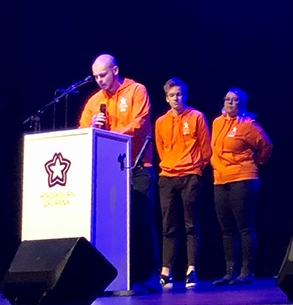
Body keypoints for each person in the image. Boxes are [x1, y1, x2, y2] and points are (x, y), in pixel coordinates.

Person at [78, 54, 159, 291]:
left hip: (137, 166)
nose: (99, 80)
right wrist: (92, 127)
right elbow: (83, 130)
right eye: (95, 77)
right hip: (108, 171)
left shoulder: (136, 91)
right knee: (113, 224)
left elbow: (139, 124)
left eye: (102, 75)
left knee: (141, 222)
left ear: (115, 70)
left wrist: (111, 135)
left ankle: (148, 276)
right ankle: (119, 276)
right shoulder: (94, 101)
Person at [153, 78, 211, 290]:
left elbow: (206, 150)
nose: (176, 99)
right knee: (168, 225)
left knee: (190, 224)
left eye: (179, 94)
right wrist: (169, 165)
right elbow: (160, 149)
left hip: (190, 175)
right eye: (171, 96)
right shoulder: (160, 122)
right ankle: (166, 271)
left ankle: (191, 269)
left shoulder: (196, 117)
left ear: (185, 95)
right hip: (167, 176)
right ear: (166, 99)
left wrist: (195, 169)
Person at [210, 88, 272, 285]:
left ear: (242, 103)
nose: (230, 103)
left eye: (235, 100)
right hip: (220, 179)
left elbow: (266, 146)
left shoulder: (248, 125)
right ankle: (230, 271)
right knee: (226, 228)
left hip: (243, 178)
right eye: (227, 99)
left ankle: (246, 271)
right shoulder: (217, 122)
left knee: (243, 226)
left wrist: (254, 162)